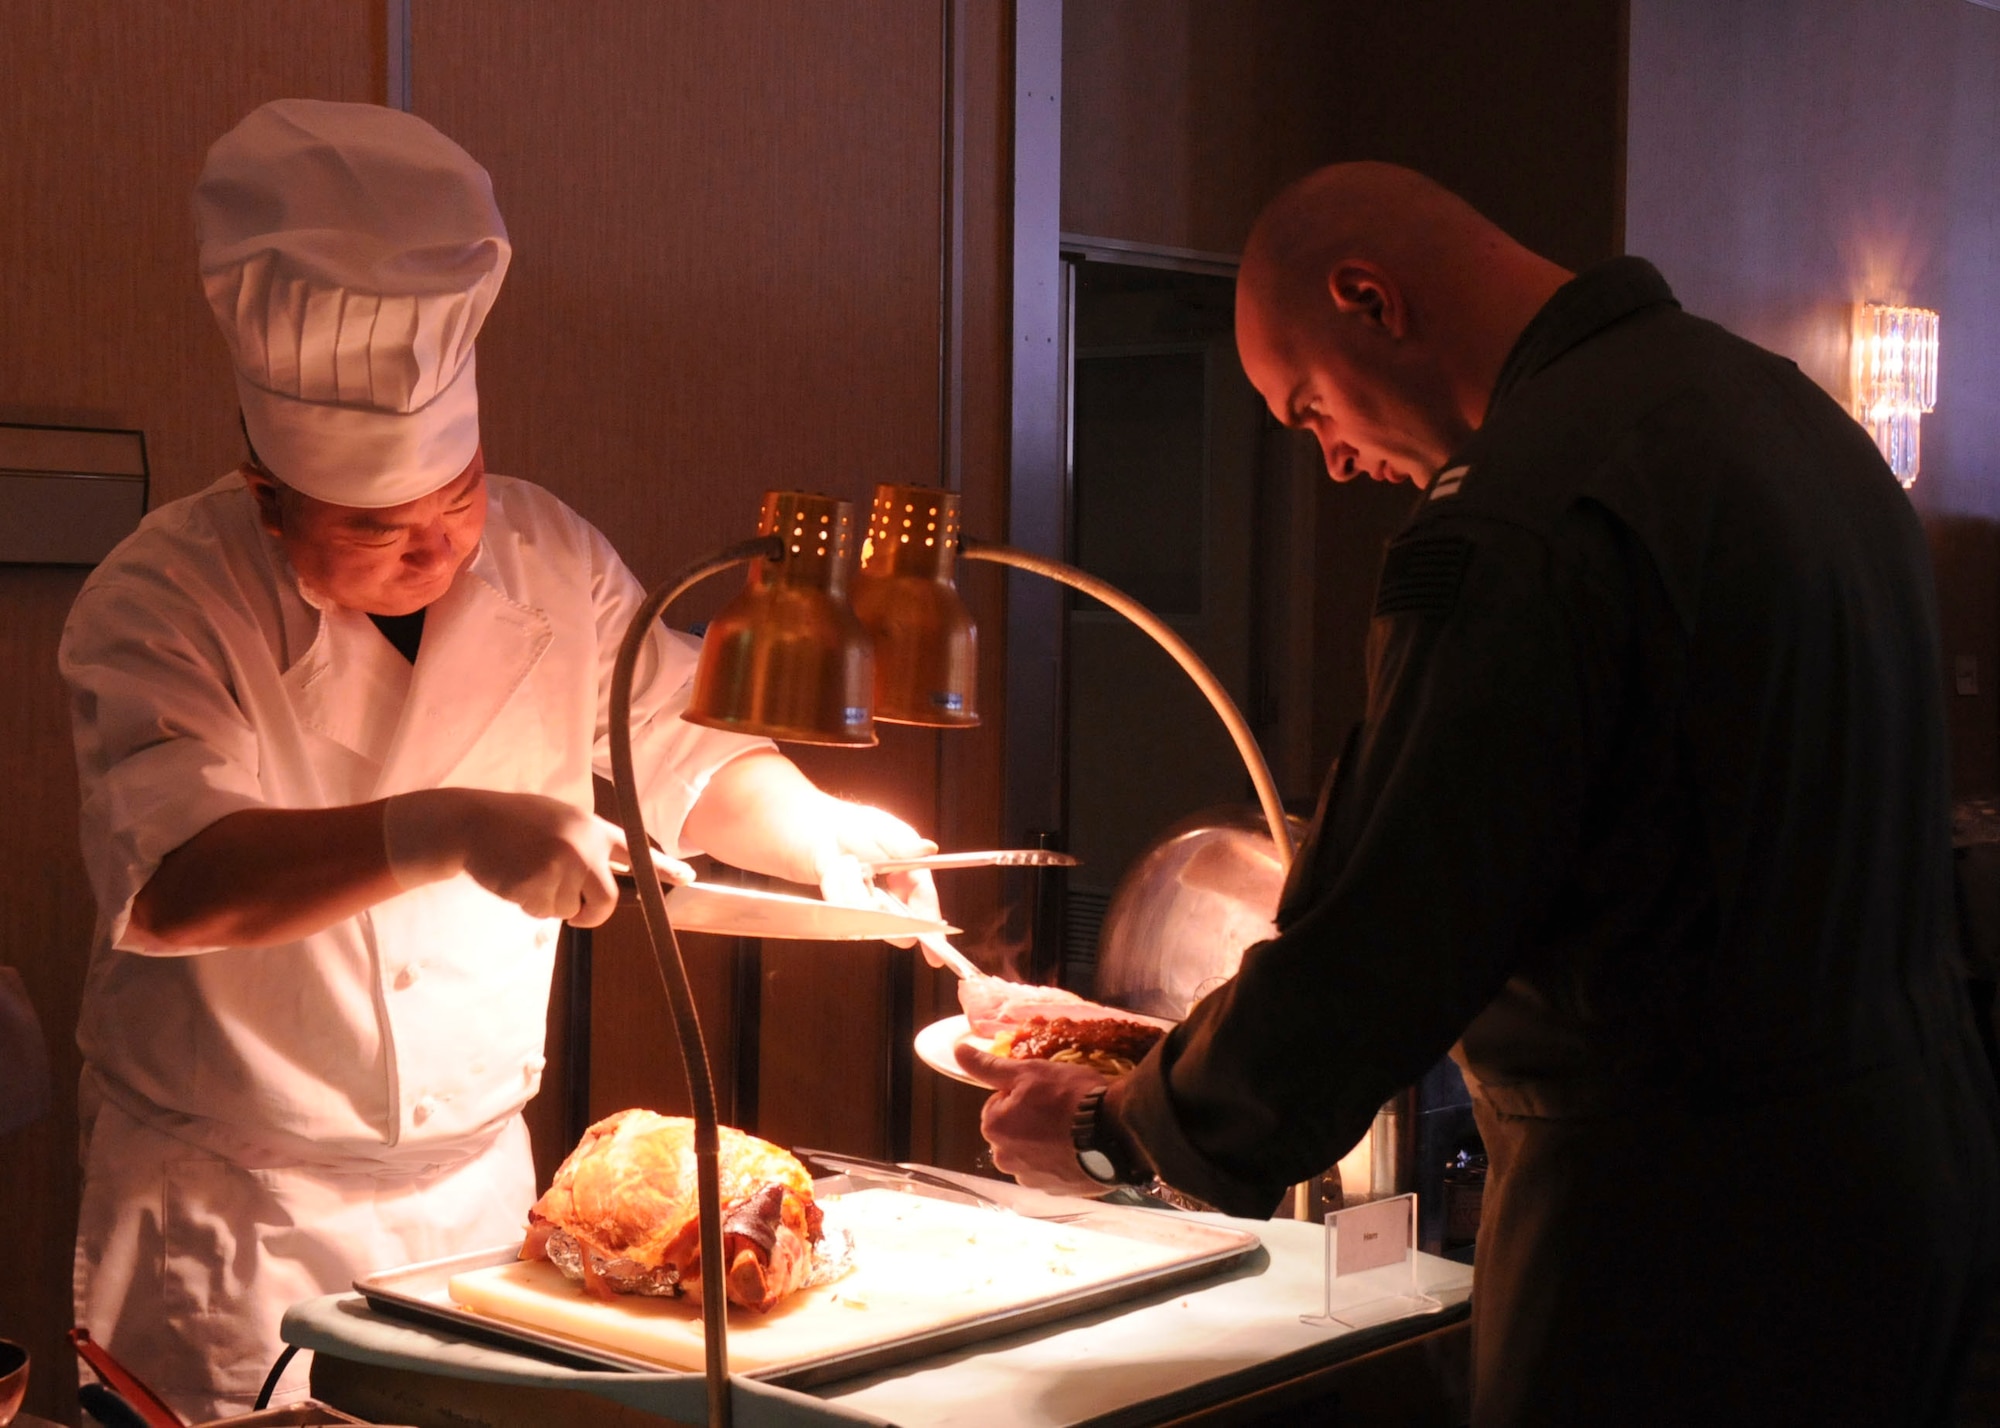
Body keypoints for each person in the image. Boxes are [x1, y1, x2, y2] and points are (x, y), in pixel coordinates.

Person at [961, 162, 2000, 1424]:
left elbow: (1386, 931)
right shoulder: (1790, 418)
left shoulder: (1519, 513)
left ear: (1368, 299)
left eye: (1307, 410)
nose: (1333, 464)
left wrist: (1119, 1129)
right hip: (1917, 1186)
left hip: (1678, 1248)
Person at [62, 99, 939, 1422]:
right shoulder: (163, 598)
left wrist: (817, 830)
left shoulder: (548, 556)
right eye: (378, 527)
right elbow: (177, 885)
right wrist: (449, 828)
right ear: (266, 497)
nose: (437, 548)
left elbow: (681, 743)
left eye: (457, 496)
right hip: (234, 1218)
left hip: (475, 1197)